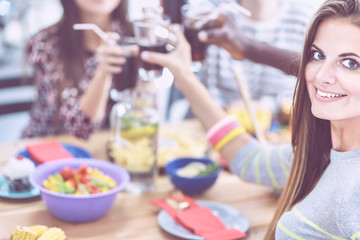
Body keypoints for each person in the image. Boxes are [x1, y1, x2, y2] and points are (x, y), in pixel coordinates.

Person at [141, 0, 360, 238]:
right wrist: (183, 75)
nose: (321, 75)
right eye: (317, 55)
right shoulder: (320, 151)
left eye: (350, 63)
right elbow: (251, 160)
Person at [22, 0, 132, 139]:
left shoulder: (134, 38)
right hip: (49, 146)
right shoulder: (44, 44)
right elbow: (81, 128)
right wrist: (103, 71)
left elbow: (145, 112)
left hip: (111, 147)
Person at [197, 0, 320, 114]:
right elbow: (205, 93)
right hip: (220, 123)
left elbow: (312, 89)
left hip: (283, 130)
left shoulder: (307, 19)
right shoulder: (214, 17)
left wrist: (265, 106)